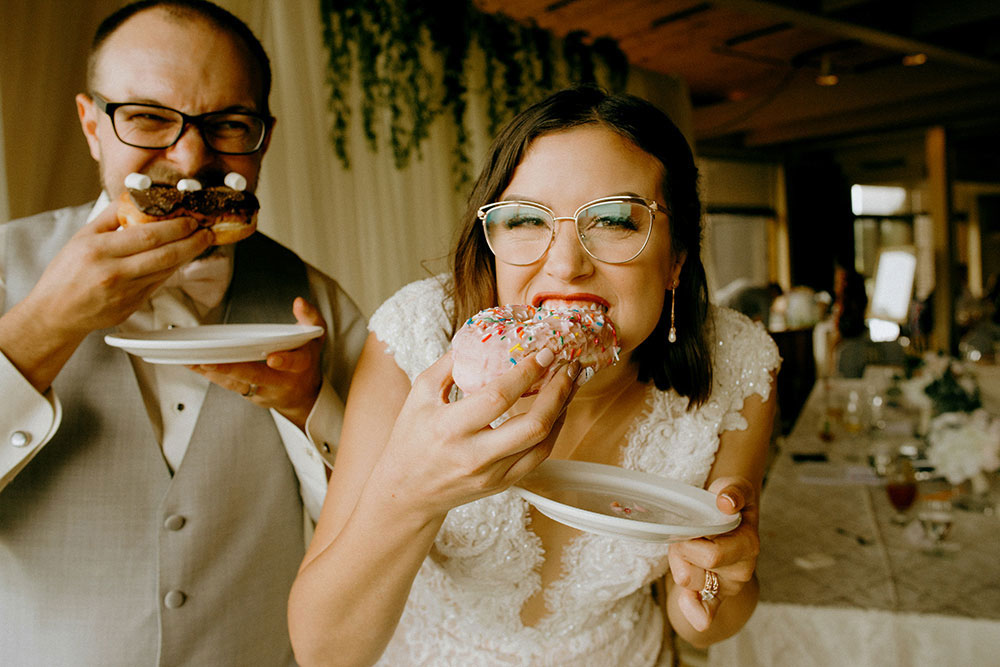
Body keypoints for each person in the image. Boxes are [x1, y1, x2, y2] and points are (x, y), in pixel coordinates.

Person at [289, 86, 779, 666]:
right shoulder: (415, 337)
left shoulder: (741, 365)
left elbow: (701, 625)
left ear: (676, 259)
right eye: (525, 219)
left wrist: (725, 575)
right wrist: (413, 493)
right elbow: (325, 651)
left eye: (616, 220)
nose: (566, 263)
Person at [0, 1, 366, 664]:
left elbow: (381, 529)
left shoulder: (320, 303)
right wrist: (41, 328)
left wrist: (313, 407)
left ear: (264, 136)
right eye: (147, 117)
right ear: (92, 125)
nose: (191, 155)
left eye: (228, 124)